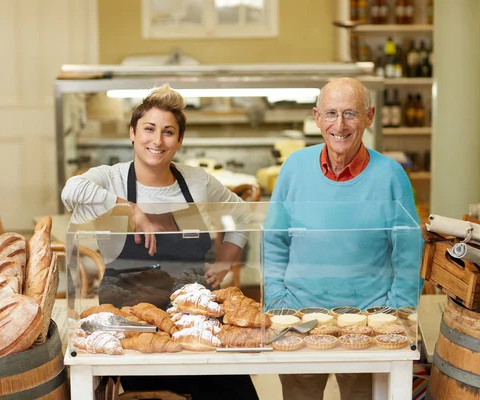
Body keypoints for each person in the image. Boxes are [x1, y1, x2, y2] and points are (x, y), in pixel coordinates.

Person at [61, 84, 258, 400]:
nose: (157, 140)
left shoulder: (196, 182)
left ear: (179, 141)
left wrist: (225, 262)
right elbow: (70, 191)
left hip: (194, 319)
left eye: (168, 132)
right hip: (135, 323)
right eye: (149, 129)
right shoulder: (109, 178)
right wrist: (131, 210)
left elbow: (243, 215)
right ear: (132, 133)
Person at [263, 77, 422, 400]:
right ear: (316, 117)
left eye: (350, 113)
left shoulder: (391, 175)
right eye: (331, 113)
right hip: (298, 319)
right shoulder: (294, 167)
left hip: (367, 323)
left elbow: (408, 254)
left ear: (369, 117)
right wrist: (278, 303)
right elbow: (273, 240)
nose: (340, 124)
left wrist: (391, 316)